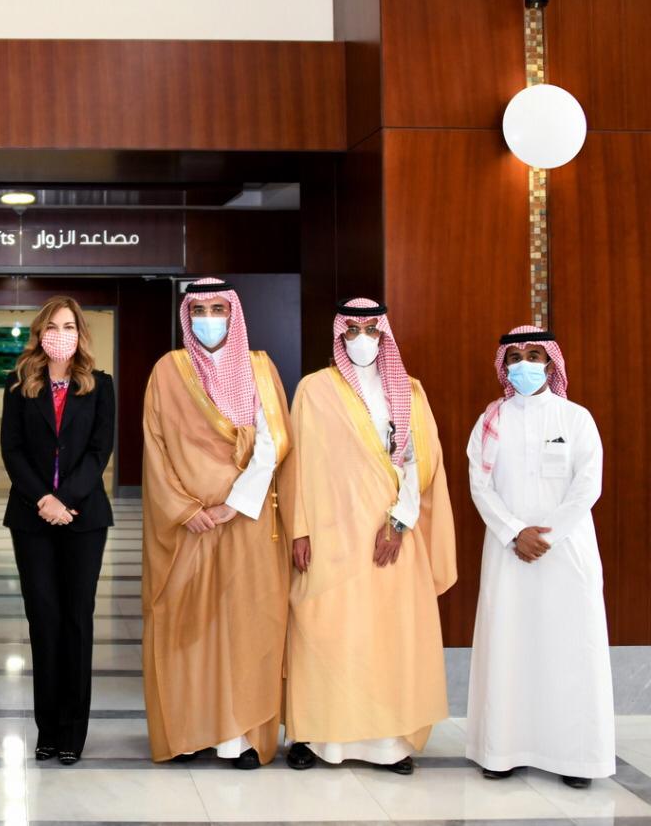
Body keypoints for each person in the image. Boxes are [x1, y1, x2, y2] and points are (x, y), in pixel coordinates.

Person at [281, 298, 456, 774]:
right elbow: (298, 465)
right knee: (323, 632)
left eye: (371, 329)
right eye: (353, 329)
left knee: (386, 638)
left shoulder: (410, 391)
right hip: (328, 534)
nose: (362, 339)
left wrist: (399, 523)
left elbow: (421, 465)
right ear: (340, 335)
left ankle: (388, 745)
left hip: (389, 535)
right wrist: (300, 529)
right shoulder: (314, 389)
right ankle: (314, 737)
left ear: (384, 336)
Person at [141, 279, 291, 767]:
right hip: (189, 524)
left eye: (217, 308)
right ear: (187, 316)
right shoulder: (168, 371)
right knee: (188, 628)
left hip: (245, 520)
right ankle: (189, 733)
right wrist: (186, 509)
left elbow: (274, 441)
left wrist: (235, 503)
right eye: (199, 310)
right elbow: (155, 447)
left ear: (234, 313)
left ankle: (241, 738)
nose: (208, 318)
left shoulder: (260, 368)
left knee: (245, 624)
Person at [465, 326, 612, 788]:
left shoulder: (576, 419)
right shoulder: (492, 420)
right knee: (508, 646)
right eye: (515, 357)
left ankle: (576, 758)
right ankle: (502, 750)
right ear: (504, 366)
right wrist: (515, 533)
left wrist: (547, 536)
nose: (524, 364)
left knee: (570, 648)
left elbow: (588, 485)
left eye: (534, 355)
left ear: (550, 363)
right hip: (507, 552)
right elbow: (480, 486)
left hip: (566, 554)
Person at [1, 296, 115, 766]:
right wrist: (43, 500)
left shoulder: (100, 385)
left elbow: (99, 450)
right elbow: (12, 451)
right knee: (43, 619)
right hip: (31, 519)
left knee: (76, 620)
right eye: (53, 326)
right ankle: (47, 730)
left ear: (81, 333)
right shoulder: (18, 385)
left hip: (84, 518)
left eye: (69, 326)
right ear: (39, 333)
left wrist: (65, 499)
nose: (61, 334)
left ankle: (72, 732)